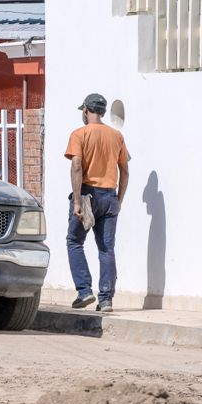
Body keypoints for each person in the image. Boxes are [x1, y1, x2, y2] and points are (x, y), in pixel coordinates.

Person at [64, 93, 131, 313]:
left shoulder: (79, 134)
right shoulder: (116, 136)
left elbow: (76, 166)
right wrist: (119, 200)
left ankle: (84, 291)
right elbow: (125, 171)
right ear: (102, 112)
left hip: (87, 194)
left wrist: (76, 201)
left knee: (74, 241)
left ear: (86, 110)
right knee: (106, 248)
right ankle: (106, 299)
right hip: (110, 196)